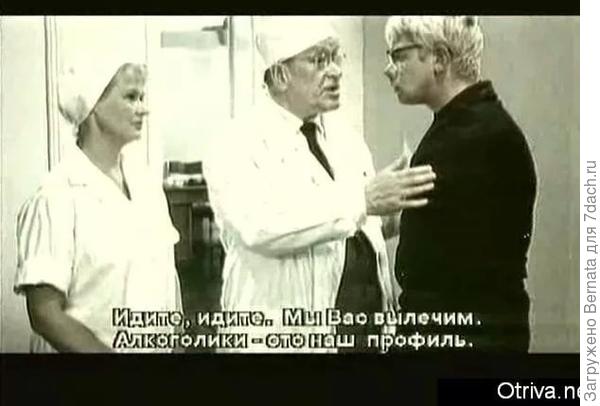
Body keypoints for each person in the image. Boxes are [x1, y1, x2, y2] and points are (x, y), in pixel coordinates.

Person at [204, 16, 436, 353]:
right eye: (319, 60)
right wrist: (364, 200)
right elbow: (261, 227)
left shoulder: (346, 139)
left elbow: (351, 227)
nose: (336, 71)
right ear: (280, 75)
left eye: (336, 57)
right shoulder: (236, 143)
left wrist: (396, 210)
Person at [383, 16, 537, 352]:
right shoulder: (474, 125)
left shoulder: (469, 136)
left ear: (439, 58)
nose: (388, 69)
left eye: (399, 55)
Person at [14, 56, 182, 353]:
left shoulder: (146, 186)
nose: (143, 108)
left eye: (141, 97)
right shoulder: (56, 197)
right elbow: (45, 315)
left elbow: (168, 283)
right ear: (93, 106)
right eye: (131, 97)